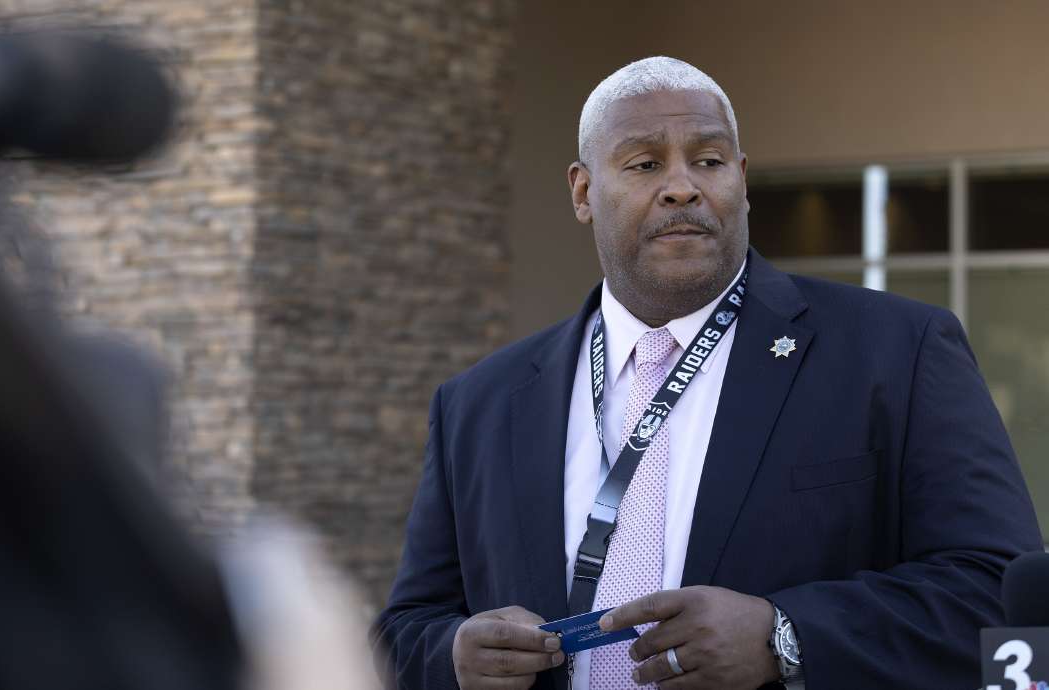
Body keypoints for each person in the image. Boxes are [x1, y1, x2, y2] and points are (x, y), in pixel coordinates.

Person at [371, 56, 1043, 690]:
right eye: (644, 163)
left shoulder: (897, 352)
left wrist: (787, 636)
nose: (682, 187)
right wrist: (452, 655)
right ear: (583, 191)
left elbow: (1002, 595)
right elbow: (404, 630)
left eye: (709, 161)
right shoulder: (480, 403)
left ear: (741, 181)